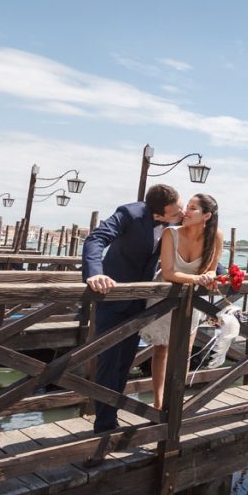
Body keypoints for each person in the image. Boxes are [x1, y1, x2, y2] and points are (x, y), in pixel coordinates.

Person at [82, 184, 185, 433]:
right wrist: (95, 275)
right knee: (108, 361)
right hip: (112, 298)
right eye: (177, 211)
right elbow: (96, 239)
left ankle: (111, 417)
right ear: (159, 215)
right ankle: (104, 426)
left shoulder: (175, 224)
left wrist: (222, 274)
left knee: (123, 364)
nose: (182, 212)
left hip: (139, 302)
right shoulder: (129, 214)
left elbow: (195, 249)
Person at [140, 193, 223, 409]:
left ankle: (175, 400)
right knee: (161, 349)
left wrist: (210, 277)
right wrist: (198, 278)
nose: (186, 211)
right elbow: (167, 272)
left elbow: (213, 269)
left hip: (190, 300)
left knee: (185, 352)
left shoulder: (216, 237)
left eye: (193, 208)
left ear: (207, 215)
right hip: (164, 297)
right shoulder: (171, 233)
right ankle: (159, 404)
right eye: (187, 206)